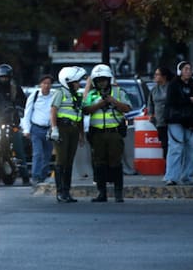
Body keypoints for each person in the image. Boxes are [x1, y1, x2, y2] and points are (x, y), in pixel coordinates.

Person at [83, 64, 131, 202]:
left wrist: (113, 101)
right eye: (98, 80)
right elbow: (86, 109)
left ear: (109, 79)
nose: (101, 83)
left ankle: (118, 193)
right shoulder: (92, 94)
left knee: (116, 162)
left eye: (103, 80)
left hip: (114, 133)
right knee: (99, 163)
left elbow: (127, 108)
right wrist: (100, 104)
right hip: (97, 134)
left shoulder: (118, 92)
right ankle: (101, 193)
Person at [49, 66, 87, 203]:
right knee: (61, 161)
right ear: (68, 82)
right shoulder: (60, 92)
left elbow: (80, 115)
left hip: (74, 130)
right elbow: (53, 110)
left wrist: (81, 134)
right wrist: (54, 129)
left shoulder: (77, 95)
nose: (79, 84)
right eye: (77, 81)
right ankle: (60, 192)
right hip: (62, 128)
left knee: (69, 162)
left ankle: (67, 191)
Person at [163, 61, 193, 186]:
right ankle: (171, 177)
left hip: (190, 121)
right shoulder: (174, 85)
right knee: (176, 147)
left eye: (189, 69)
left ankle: (187, 176)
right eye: (185, 69)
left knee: (191, 149)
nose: (188, 71)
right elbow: (173, 100)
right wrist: (190, 99)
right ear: (180, 71)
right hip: (175, 120)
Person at [0, 63, 30, 184]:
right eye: (1, 77)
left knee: (18, 147)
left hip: (12, 122)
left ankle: (25, 176)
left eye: (6, 77)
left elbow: (24, 102)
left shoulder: (15, 88)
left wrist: (18, 108)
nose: (3, 79)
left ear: (10, 77)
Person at [21, 74, 55, 185]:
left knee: (47, 154)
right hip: (36, 129)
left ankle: (43, 176)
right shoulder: (34, 95)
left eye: (48, 83)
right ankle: (35, 176)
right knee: (38, 153)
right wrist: (26, 129)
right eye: (44, 83)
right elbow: (28, 112)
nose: (46, 86)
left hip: (49, 129)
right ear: (40, 84)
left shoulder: (54, 95)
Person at [147, 66, 173, 161]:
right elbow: (150, 103)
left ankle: (171, 168)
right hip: (159, 122)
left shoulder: (171, 88)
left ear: (164, 76)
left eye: (157, 74)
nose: (155, 76)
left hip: (171, 121)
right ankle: (167, 167)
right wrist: (150, 114)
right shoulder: (154, 90)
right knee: (164, 144)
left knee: (172, 145)